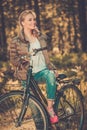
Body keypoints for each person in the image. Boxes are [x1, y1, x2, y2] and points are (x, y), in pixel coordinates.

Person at [9, 9, 58, 124]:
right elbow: (13, 60)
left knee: (50, 75)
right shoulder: (16, 41)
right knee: (36, 111)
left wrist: (52, 68)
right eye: (29, 20)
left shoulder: (40, 37)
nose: (33, 22)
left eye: (34, 19)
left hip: (42, 71)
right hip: (27, 75)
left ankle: (50, 108)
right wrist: (22, 60)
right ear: (22, 23)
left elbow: (45, 55)